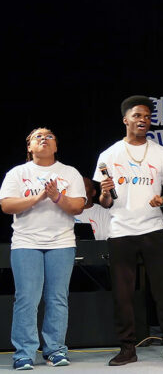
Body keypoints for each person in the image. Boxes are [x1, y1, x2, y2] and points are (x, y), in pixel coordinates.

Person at [94, 95, 163, 366]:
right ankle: (127, 348)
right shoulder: (109, 155)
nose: (143, 120)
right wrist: (104, 194)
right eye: (138, 116)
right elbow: (104, 201)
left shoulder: (161, 153)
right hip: (121, 231)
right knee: (123, 294)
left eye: (147, 116)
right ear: (126, 120)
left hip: (154, 229)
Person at [0, 128, 86, 370]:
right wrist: (37, 198)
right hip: (26, 243)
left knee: (57, 298)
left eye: (49, 136)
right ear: (29, 147)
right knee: (27, 298)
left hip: (61, 242)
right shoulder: (18, 173)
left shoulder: (69, 173)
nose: (44, 139)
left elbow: (78, 206)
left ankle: (55, 350)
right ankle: (24, 353)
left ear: (56, 146)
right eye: (38, 136)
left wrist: (57, 197)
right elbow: (6, 204)